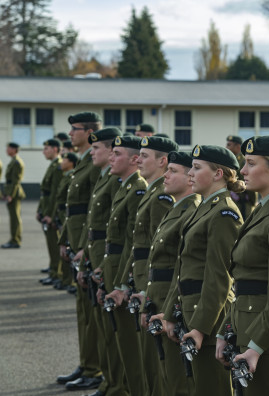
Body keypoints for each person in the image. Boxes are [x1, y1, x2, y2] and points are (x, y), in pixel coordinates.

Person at [153, 144, 244, 396]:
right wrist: (170, 313)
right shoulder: (205, 208)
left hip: (210, 319)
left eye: (196, 167)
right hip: (192, 309)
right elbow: (181, 271)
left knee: (212, 388)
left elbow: (219, 278)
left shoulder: (224, 212)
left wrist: (202, 328)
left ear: (218, 174)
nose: (190, 173)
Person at [214, 135, 269, 395]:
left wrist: (257, 345)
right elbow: (241, 280)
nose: (242, 170)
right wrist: (225, 329)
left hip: (265, 338)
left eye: (251, 163)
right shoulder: (263, 209)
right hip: (246, 328)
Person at [118, 136, 178, 396]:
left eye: (144, 156)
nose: (138, 160)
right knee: (149, 360)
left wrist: (144, 289)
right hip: (145, 281)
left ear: (162, 161)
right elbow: (141, 248)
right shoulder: (154, 193)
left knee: (157, 364)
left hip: (154, 286)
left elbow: (161, 254)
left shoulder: (161, 198)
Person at [142, 151, 202, 396]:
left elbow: (183, 269)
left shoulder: (190, 212)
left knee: (180, 380)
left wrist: (169, 309)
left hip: (175, 301)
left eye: (173, 171)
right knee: (164, 372)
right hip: (160, 296)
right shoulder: (176, 208)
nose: (165, 176)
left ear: (190, 178)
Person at [56, 112, 103, 391]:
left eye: (75, 129)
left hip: (87, 247)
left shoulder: (95, 164)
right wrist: (65, 239)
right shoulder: (84, 163)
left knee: (91, 313)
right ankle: (86, 363)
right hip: (77, 245)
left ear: (89, 131)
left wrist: (84, 246)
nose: (70, 134)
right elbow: (72, 209)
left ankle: (94, 367)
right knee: (83, 313)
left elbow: (93, 213)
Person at [101, 135, 148, 395]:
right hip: (112, 267)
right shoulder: (124, 186)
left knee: (132, 348)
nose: (111, 156)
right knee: (117, 339)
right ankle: (116, 386)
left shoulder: (138, 189)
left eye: (116, 153)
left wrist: (123, 282)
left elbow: (135, 244)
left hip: (125, 273)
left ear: (134, 159)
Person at [80, 127, 124, 396]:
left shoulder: (122, 183)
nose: (92, 152)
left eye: (97, 148)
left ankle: (116, 385)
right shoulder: (106, 178)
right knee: (99, 325)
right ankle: (108, 381)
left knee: (116, 333)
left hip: (111, 260)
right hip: (98, 254)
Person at [51, 152, 78, 292]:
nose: (62, 161)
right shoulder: (66, 176)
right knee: (62, 248)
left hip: (66, 216)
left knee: (68, 249)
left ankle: (69, 280)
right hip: (62, 214)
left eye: (65, 159)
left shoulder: (72, 177)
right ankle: (65, 279)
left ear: (71, 162)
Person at [37, 139, 63, 283]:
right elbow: (45, 193)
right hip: (46, 208)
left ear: (54, 149)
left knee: (54, 245)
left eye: (46, 148)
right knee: (51, 244)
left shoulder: (58, 166)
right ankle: (53, 270)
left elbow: (55, 194)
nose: (44, 151)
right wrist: (40, 210)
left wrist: (51, 215)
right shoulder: (53, 165)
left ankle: (56, 274)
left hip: (51, 211)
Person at [226, 134, 258, 218]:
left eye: (229, 145)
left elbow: (250, 181)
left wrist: (253, 201)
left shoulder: (243, 161)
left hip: (243, 202)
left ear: (238, 146)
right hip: (234, 200)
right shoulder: (232, 160)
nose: (226, 147)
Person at [2, 142, 25, 248]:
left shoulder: (16, 162)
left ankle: (15, 240)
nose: (7, 150)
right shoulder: (13, 161)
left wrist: (10, 194)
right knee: (14, 217)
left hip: (14, 193)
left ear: (14, 149)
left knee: (15, 218)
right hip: (11, 192)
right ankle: (14, 239)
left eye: (8, 148)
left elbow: (15, 181)